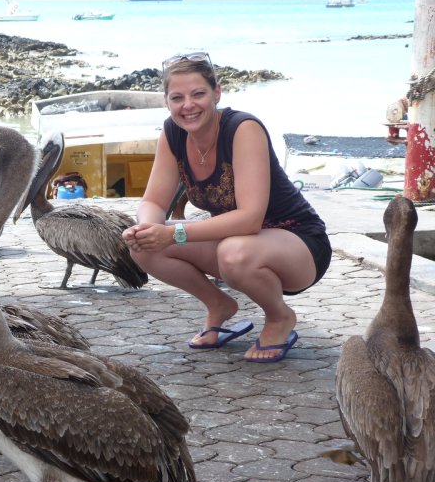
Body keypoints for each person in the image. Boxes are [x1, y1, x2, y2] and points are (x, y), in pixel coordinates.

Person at [122, 52, 331, 363]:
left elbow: (250, 218)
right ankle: (218, 305)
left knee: (232, 252)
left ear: (216, 92)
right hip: (236, 241)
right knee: (142, 246)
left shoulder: (242, 128)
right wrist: (149, 229)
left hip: (297, 244)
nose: (188, 105)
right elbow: (153, 201)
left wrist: (174, 233)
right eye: (177, 97)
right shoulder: (173, 132)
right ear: (166, 101)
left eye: (198, 94)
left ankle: (279, 317)